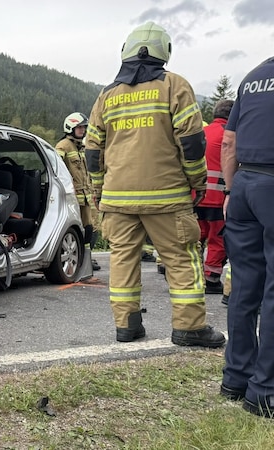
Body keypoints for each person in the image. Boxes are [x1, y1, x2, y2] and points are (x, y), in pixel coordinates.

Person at [84, 21, 225, 347]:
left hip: (117, 199)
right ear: (165, 52)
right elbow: (191, 143)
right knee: (181, 257)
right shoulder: (175, 86)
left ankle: (127, 326)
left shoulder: (107, 95)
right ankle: (189, 327)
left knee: (122, 259)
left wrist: (97, 188)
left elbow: (93, 150)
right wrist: (198, 181)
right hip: (168, 198)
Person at [219, 56, 274, 417]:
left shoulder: (254, 77)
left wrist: (229, 190)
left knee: (244, 287)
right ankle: (265, 391)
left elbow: (229, 142)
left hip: (243, 185)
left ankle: (235, 378)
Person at [55, 112, 101, 271]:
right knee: (76, 230)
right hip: (73, 199)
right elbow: (57, 171)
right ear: (70, 128)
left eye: (84, 127)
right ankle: (80, 258)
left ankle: (87, 258)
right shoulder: (63, 146)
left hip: (87, 198)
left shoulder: (81, 147)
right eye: (79, 127)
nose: (83, 130)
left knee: (91, 229)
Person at [198, 99, 234, 294]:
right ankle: (211, 279)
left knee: (197, 236)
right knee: (217, 239)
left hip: (197, 195)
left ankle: (193, 275)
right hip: (218, 198)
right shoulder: (229, 134)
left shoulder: (202, 132)